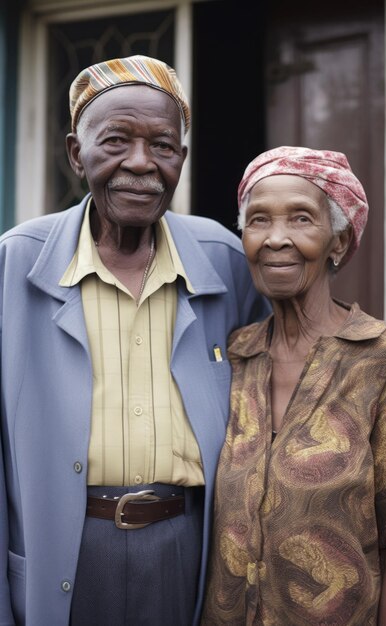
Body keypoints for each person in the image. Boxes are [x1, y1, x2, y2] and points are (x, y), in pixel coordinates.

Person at [0, 55, 270, 626]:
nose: (141, 164)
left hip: (185, 547)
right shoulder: (16, 262)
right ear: (77, 153)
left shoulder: (222, 260)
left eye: (163, 146)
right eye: (116, 141)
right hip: (66, 552)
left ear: (182, 159)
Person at [202, 146, 386, 625]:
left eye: (301, 219)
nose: (276, 238)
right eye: (259, 220)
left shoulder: (382, 359)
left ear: (338, 242)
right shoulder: (234, 355)